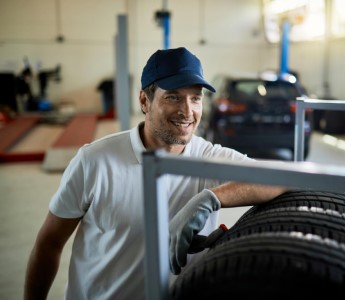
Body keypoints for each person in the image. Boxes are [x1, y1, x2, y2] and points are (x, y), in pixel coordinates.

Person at [24, 47, 288, 299]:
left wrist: (209, 198)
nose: (187, 111)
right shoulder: (95, 161)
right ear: (144, 100)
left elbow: (284, 179)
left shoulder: (208, 158)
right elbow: (49, 243)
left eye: (195, 98)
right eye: (173, 96)